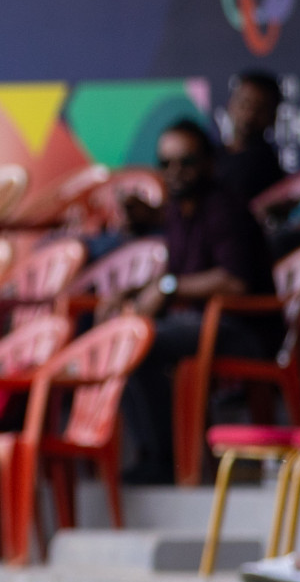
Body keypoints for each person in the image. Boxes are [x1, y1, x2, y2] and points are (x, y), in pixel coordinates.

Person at [116, 119, 278, 485]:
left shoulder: (224, 207)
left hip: (244, 329)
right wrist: (129, 294)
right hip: (201, 325)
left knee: (145, 339)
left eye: (186, 162)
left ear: (208, 163)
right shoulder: (177, 212)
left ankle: (165, 460)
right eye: (166, 163)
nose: (175, 172)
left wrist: (168, 288)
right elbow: (173, 275)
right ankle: (154, 453)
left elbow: (233, 282)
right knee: (124, 334)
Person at [219, 70, 285, 205]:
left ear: (273, 116)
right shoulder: (210, 155)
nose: (249, 115)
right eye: (244, 103)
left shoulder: (266, 166)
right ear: (230, 104)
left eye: (260, 108)